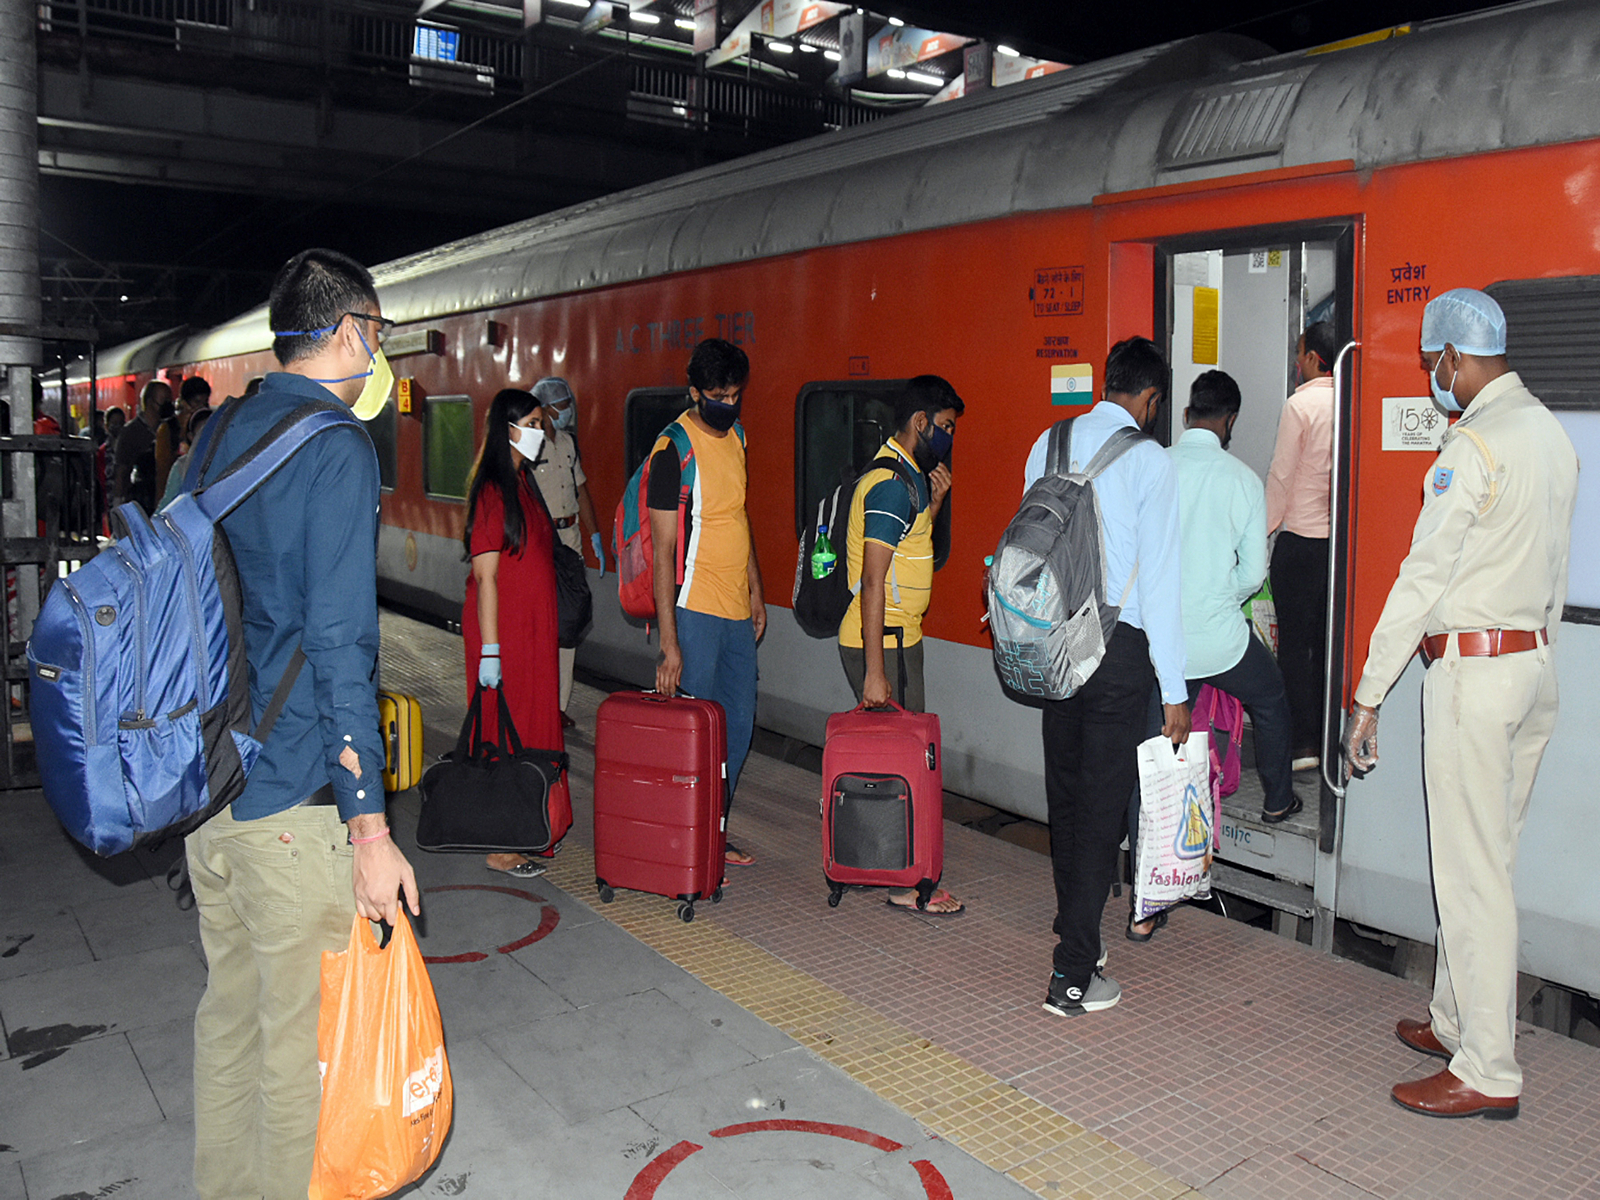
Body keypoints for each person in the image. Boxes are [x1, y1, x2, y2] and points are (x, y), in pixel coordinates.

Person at [184, 247, 418, 1200]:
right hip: (289, 805)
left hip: (207, 794)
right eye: (378, 335)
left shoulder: (215, 433)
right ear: (353, 329)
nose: (378, 357)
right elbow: (339, 647)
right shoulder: (335, 447)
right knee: (301, 1058)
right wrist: (369, 825)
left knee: (228, 1026)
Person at [1344, 289, 1577, 1121]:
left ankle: (1488, 1069)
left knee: (1472, 873)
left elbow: (1421, 579)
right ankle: (1453, 1021)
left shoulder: (1473, 445)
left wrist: (1368, 694)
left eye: (1432, 362)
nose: (1432, 377)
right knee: (1489, 861)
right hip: (1532, 670)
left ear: (1455, 357)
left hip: (1474, 680)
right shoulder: (1549, 434)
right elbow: (1551, 565)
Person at [1023, 336, 1189, 1015]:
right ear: (1149, 400)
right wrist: (1173, 691)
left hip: (1055, 640)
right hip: (1119, 647)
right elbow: (1162, 582)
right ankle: (1072, 977)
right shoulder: (1150, 461)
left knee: (1067, 799)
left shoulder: (1048, 443)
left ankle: (1078, 932)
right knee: (1101, 811)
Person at [1127, 372, 1298, 937]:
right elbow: (1253, 572)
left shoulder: (1155, 467)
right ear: (1230, 422)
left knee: (1157, 755)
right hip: (1221, 640)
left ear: (1186, 416)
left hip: (1161, 647)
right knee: (1271, 698)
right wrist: (1215, 599)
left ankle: (1145, 902)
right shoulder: (1244, 481)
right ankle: (1277, 799)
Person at [837, 374, 965, 915]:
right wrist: (873, 670)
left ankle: (900, 868)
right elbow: (871, 580)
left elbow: (909, 553)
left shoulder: (910, 477)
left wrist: (933, 508)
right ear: (921, 423)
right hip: (880, 641)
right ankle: (903, 883)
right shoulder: (890, 483)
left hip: (900, 636)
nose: (948, 436)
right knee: (900, 765)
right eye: (946, 426)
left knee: (912, 759)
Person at [650, 338, 765, 867]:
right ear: (694, 392)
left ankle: (713, 829)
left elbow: (739, 518)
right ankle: (683, 838)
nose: (728, 404)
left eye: (735, 394)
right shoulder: (672, 449)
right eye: (717, 395)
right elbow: (664, 551)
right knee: (694, 736)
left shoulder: (738, 436)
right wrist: (669, 644)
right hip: (694, 610)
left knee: (737, 728)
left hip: (736, 611)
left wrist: (756, 590)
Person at [464, 387, 568, 878]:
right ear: (507, 429)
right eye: (530, 422)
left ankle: (536, 829)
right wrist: (490, 651)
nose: (540, 431)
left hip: (534, 631)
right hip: (504, 633)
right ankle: (502, 845)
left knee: (536, 726)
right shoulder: (490, 492)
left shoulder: (524, 483)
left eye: (539, 421)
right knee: (508, 732)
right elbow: (486, 576)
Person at [1266, 319, 1338, 771]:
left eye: (1300, 353)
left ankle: (1303, 745)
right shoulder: (1352, 398)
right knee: (1326, 642)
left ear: (1313, 358)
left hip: (1299, 543)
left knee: (1294, 647)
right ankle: (1329, 736)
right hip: (1335, 548)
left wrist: (1261, 534)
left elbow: (1281, 475)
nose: (1296, 362)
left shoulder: (1301, 404)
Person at [528, 376, 606, 727]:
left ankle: (558, 708)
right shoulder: (529, 447)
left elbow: (582, 489)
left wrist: (595, 536)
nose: (566, 412)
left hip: (569, 538)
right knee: (542, 626)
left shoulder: (569, 444)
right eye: (560, 406)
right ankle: (539, 704)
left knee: (569, 624)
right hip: (542, 543)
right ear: (543, 409)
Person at [114, 379, 170, 512]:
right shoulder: (130, 433)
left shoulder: (169, 429)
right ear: (150, 402)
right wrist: (118, 502)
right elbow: (122, 469)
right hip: (142, 500)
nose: (168, 405)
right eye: (164, 400)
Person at [158, 407, 212, 508]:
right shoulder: (182, 465)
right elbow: (168, 501)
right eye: (201, 434)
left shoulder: (226, 460)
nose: (208, 439)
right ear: (191, 436)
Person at [179, 375, 212, 448]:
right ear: (184, 403)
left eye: (205, 402)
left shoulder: (212, 422)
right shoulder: (170, 429)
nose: (202, 407)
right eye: (197, 402)